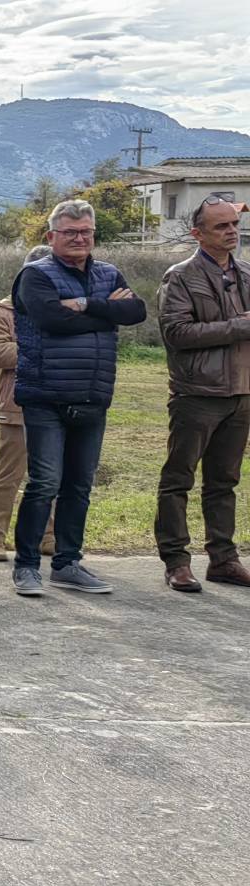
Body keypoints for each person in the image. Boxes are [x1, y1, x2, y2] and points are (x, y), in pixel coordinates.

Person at [9, 199, 147, 596]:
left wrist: (86, 304)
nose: (79, 238)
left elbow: (136, 311)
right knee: (45, 482)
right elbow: (52, 319)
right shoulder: (35, 276)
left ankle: (68, 563)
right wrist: (108, 313)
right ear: (51, 236)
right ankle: (27, 566)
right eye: (70, 232)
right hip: (45, 395)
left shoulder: (107, 272)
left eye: (85, 231)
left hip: (93, 395)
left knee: (80, 485)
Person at [155, 195, 250, 592]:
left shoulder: (246, 272)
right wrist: (238, 326)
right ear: (198, 234)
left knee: (224, 481)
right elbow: (176, 334)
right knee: (179, 479)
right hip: (197, 393)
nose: (232, 231)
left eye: (234, 224)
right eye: (221, 226)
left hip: (241, 393)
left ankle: (223, 559)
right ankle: (176, 561)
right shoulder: (180, 276)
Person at [0, 245, 57, 563]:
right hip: (15, 408)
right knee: (8, 476)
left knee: (50, 477)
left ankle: (48, 536)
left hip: (54, 408)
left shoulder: (59, 309)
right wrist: (42, 350)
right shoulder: (1, 312)